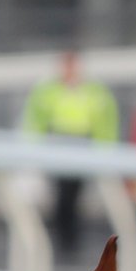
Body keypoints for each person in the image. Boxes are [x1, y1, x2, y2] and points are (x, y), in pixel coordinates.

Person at [19, 50, 119, 257]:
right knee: (63, 194)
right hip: (57, 143)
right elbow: (36, 119)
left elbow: (105, 120)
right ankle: (63, 238)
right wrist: (32, 149)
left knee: (73, 194)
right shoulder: (48, 90)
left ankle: (68, 239)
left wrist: (105, 151)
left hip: (83, 143)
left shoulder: (93, 90)